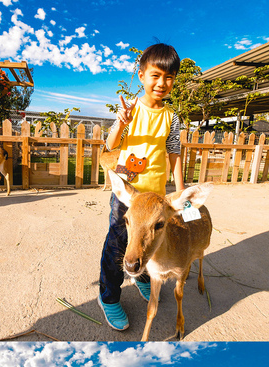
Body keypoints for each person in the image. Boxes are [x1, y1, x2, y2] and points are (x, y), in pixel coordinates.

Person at [97, 43, 184, 331]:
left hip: (156, 196)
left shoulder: (172, 117)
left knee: (153, 243)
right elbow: (110, 145)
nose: (162, 83)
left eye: (169, 77)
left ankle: (143, 278)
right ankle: (109, 296)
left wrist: (182, 196)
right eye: (155, 75)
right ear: (142, 74)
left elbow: (174, 153)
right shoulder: (131, 108)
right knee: (119, 242)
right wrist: (121, 123)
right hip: (128, 193)